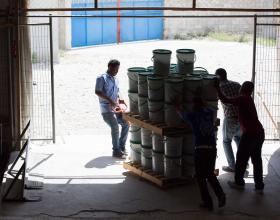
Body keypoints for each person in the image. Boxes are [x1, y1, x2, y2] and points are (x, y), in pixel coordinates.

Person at [176, 97, 226, 211]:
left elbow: (180, 112)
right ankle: (220, 194)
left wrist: (178, 106)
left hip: (201, 149)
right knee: (210, 174)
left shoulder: (192, 116)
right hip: (212, 148)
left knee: (200, 177)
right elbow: (207, 107)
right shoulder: (210, 113)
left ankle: (207, 202)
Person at [216, 81, 265, 193]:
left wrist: (217, 88)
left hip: (250, 135)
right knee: (257, 160)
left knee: (241, 158)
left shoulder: (243, 98)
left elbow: (226, 100)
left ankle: (238, 183)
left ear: (243, 88)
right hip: (259, 133)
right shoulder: (248, 99)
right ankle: (259, 185)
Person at [95, 59, 129, 158]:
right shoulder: (101, 78)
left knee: (126, 124)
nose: (117, 71)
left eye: (118, 69)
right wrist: (110, 100)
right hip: (106, 109)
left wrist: (121, 101)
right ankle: (116, 150)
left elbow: (117, 92)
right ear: (110, 67)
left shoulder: (116, 79)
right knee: (115, 127)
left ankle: (121, 147)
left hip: (116, 108)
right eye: (116, 69)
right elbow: (97, 92)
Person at [215, 68, 242, 173]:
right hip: (241, 118)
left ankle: (232, 166)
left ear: (217, 77)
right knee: (238, 139)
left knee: (226, 141)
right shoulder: (236, 84)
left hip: (230, 118)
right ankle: (243, 163)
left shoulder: (219, 88)